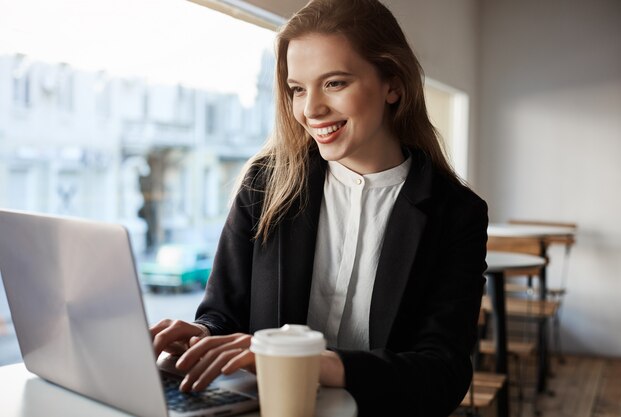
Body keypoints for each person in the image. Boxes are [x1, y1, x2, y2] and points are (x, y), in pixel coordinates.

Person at [151, 0, 488, 415]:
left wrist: (309, 362)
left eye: (335, 83)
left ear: (393, 85)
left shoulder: (456, 214)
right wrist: (203, 335)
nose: (310, 109)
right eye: (297, 89)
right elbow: (225, 313)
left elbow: (442, 374)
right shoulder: (265, 184)